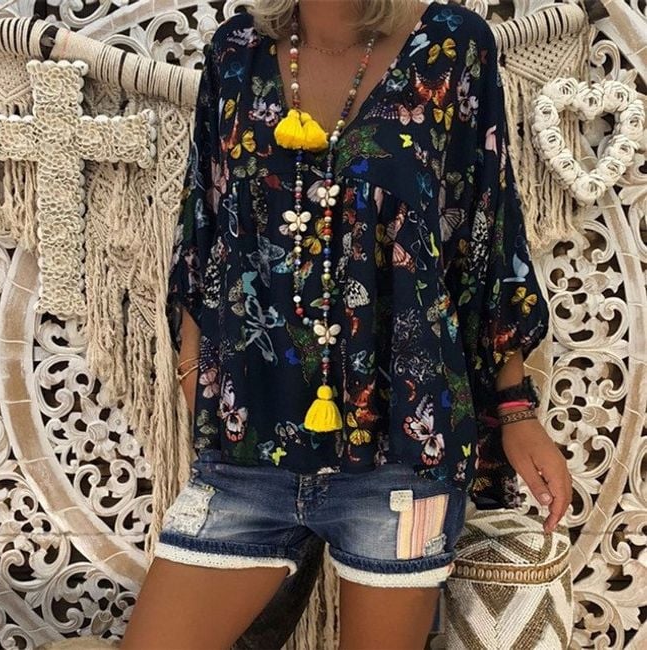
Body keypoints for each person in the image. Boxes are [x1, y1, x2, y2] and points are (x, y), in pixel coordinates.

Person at [121, 1, 572, 648]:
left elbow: (486, 236)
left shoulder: (452, 47)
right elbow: (205, 229)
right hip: (250, 455)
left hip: (404, 454)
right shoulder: (236, 52)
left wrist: (517, 409)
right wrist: (195, 376)